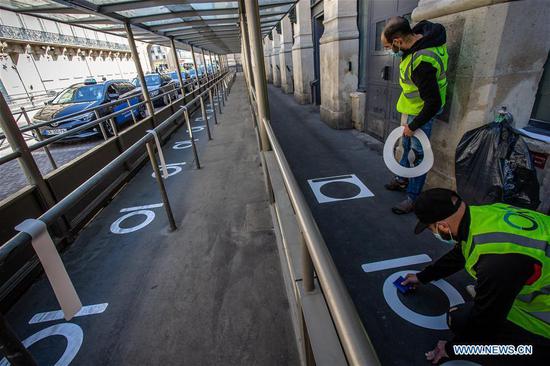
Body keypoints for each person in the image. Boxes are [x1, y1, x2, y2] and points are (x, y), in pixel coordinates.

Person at [402, 188, 550, 365]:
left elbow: (486, 321)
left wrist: (453, 349)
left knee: (460, 320)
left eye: (431, 228)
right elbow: (461, 253)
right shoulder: (486, 213)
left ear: (442, 226)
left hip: (543, 321)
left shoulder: (496, 260)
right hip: (526, 288)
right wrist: (423, 276)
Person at [381, 17, 448, 214]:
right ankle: (402, 179)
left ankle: (413, 197)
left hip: (422, 113)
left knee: (419, 155)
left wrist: (414, 125)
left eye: (387, 46)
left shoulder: (422, 62)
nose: (387, 50)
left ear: (398, 41)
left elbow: (433, 103)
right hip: (413, 108)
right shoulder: (420, 38)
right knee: (407, 145)